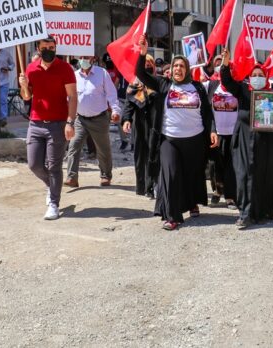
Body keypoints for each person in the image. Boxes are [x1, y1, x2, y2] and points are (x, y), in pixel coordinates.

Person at [137, 36, 218, 231]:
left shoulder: (197, 87)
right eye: (175, 66)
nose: (178, 69)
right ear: (171, 69)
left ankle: (192, 203)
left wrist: (213, 131)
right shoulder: (164, 85)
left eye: (182, 66)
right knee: (171, 174)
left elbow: (207, 111)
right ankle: (172, 216)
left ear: (187, 69)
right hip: (169, 139)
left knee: (190, 175)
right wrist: (142, 53)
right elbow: (140, 74)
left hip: (195, 140)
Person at [219, 48, 273, 228]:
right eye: (254, 74)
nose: (257, 77)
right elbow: (226, 80)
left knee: (264, 176)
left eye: (260, 74)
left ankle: (262, 212)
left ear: (266, 77)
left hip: (267, 143)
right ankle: (245, 213)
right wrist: (225, 64)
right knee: (244, 175)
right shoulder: (242, 89)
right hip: (243, 140)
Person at [18, 35, 78, 220]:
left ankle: (54, 203)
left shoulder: (65, 68)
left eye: (52, 47)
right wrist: (23, 85)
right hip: (35, 123)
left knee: (54, 166)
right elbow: (27, 97)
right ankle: (50, 185)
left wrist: (70, 122)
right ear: (38, 48)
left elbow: (73, 97)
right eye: (45, 47)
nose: (49, 50)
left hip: (58, 124)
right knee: (34, 164)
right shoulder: (30, 68)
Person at [63, 55, 122, 188]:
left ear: (93, 59)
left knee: (103, 149)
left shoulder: (102, 73)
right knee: (73, 147)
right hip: (80, 119)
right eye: (81, 57)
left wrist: (115, 111)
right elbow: (69, 97)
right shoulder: (74, 75)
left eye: (86, 57)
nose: (83, 60)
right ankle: (72, 177)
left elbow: (111, 94)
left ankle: (105, 175)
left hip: (99, 119)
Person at [204, 55, 238, 210]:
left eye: (224, 64)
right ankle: (218, 190)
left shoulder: (236, 85)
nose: (220, 66)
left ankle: (230, 196)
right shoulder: (211, 85)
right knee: (215, 164)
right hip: (215, 132)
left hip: (233, 132)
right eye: (218, 63)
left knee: (231, 165)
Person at [122, 55, 158, 198]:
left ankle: (151, 187)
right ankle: (141, 186)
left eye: (150, 63)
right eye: (145, 63)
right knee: (139, 156)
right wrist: (126, 119)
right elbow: (128, 104)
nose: (147, 66)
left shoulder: (158, 82)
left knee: (152, 155)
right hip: (139, 124)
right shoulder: (134, 84)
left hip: (155, 124)